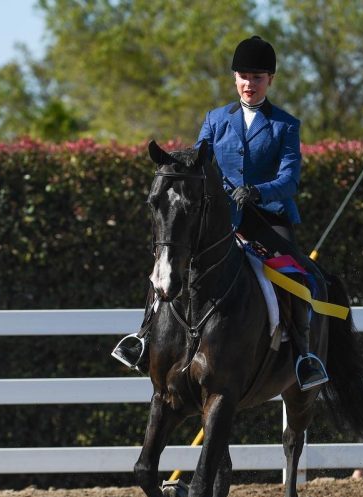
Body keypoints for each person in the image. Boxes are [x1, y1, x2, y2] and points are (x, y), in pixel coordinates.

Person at [113, 35, 328, 391]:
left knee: (297, 276)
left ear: (270, 80)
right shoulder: (216, 119)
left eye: (257, 77)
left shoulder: (285, 124)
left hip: (268, 217)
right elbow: (199, 162)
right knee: (169, 261)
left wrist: (258, 191)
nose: (249, 83)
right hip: (222, 218)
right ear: (234, 78)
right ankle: (144, 337)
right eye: (243, 76)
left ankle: (303, 356)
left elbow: (290, 179)